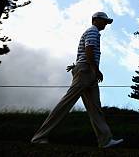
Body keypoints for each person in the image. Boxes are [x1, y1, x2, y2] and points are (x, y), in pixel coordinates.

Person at [31, 12, 124, 148]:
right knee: (66, 103)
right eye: (104, 21)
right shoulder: (92, 31)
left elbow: (86, 52)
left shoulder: (93, 32)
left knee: (95, 108)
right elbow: (89, 50)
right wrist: (95, 70)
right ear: (95, 20)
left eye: (106, 22)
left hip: (87, 70)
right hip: (86, 71)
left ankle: (105, 140)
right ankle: (39, 137)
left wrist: (87, 68)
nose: (105, 24)